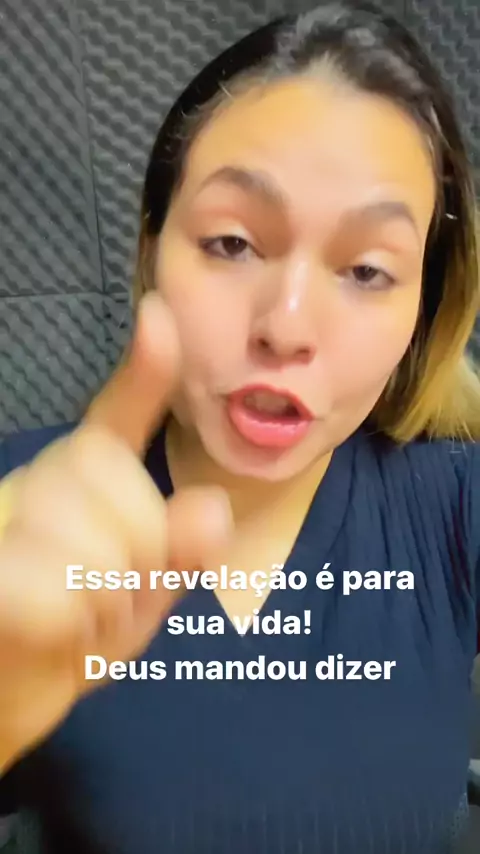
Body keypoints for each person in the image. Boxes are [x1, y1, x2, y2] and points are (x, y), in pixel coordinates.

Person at [0, 1, 479, 852]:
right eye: (231, 243)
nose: (286, 326)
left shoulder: (456, 508)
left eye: (367, 270)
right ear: (152, 250)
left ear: (423, 310)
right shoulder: (20, 519)